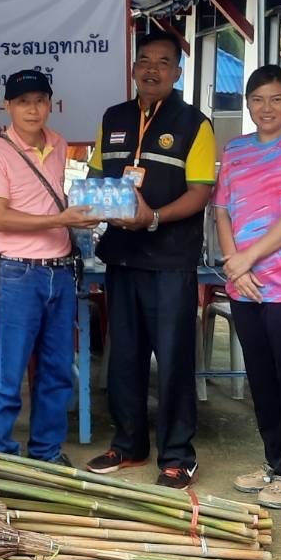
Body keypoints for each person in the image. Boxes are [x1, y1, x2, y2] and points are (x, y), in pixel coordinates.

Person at [83, 31, 216, 489]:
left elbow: (200, 192)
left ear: (177, 73)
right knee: (126, 356)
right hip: (121, 258)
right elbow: (98, 176)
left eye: (163, 62)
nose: (152, 69)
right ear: (134, 68)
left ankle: (178, 454)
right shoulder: (114, 117)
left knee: (174, 357)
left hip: (169, 259)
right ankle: (129, 443)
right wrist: (91, 208)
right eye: (144, 61)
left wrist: (154, 217)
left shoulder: (193, 123)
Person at [212, 65, 281, 509]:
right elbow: (221, 210)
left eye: (276, 98)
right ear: (247, 103)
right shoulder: (236, 149)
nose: (267, 108)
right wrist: (235, 268)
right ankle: (273, 461)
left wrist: (247, 258)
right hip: (245, 287)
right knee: (262, 379)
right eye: (258, 99)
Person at [0, 69, 98, 464]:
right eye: (24, 101)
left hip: (61, 273)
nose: (33, 109)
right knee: (9, 375)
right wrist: (60, 222)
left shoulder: (60, 145)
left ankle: (46, 452)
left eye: (40, 100)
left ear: (50, 104)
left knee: (58, 371)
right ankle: (1, 455)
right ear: (7, 106)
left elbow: (63, 200)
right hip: (19, 274)